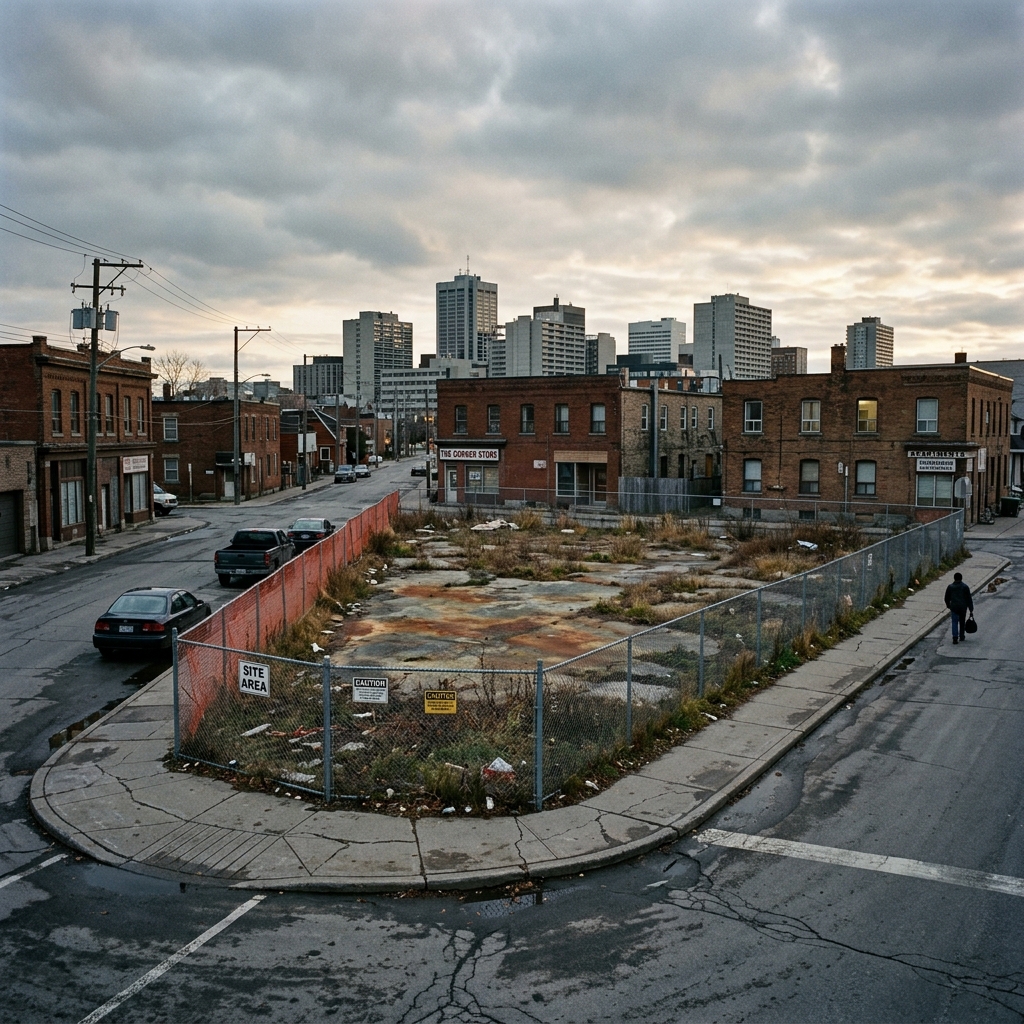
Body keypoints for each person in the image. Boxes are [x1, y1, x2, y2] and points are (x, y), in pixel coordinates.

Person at [943, 571, 974, 645]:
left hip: (954, 607)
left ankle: (955, 637)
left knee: (954, 622)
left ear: (954, 578)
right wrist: (971, 608)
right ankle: (962, 636)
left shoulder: (950, 587)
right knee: (962, 621)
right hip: (963, 607)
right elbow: (968, 598)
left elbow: (946, 597)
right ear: (961, 578)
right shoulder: (965, 587)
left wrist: (948, 605)